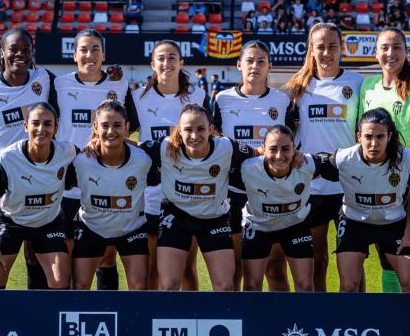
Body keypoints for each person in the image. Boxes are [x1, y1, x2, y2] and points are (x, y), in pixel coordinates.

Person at [124, 104, 268, 291]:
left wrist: (292, 154)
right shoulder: (165, 147)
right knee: (168, 285)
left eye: (200, 129)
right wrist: (97, 143)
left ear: (210, 129)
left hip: (214, 219)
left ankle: (219, 321)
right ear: (180, 131)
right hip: (176, 217)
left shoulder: (226, 147)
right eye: (188, 130)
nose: (194, 136)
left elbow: (258, 152)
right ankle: (171, 321)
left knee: (225, 286)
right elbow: (137, 145)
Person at [0, 28, 59, 291]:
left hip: (38, 179)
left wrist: (112, 76)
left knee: (35, 256)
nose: (20, 54)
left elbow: (80, 84)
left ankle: (35, 319)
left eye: (26, 49)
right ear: (2, 53)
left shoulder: (45, 79)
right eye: (13, 49)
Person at [358, 27, 410, 294]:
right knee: (386, 257)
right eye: (385, 47)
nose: (390, 53)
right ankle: (394, 322)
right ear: (376, 52)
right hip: (377, 186)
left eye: (397, 48)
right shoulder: (368, 86)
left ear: (407, 52)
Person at [285, 23, 366, 293]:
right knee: (317, 261)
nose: (327, 52)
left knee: (353, 265)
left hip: (349, 185)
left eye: (333, 46)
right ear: (312, 49)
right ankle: (321, 318)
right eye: (321, 46)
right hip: (313, 186)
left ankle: (355, 319)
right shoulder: (298, 88)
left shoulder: (357, 83)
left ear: (342, 48)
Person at [124, 40, 209, 291]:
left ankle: (188, 319)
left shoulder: (198, 96)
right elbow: (124, 133)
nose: (166, 63)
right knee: (152, 267)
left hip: (188, 188)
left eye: (172, 57)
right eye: (161, 58)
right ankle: (151, 321)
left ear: (181, 63)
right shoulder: (138, 97)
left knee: (187, 268)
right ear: (153, 64)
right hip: (152, 189)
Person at [312, 108, 410, 293]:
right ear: (358, 136)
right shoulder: (344, 159)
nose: (374, 143)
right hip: (354, 223)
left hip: (393, 224)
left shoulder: (407, 159)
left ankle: (408, 323)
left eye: (380, 136)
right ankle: (349, 323)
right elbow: (312, 169)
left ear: (389, 136)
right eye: (368, 136)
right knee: (349, 287)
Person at [213, 41, 294, 291]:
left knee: (276, 269)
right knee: (236, 267)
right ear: (239, 65)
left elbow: (290, 140)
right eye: (249, 61)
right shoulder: (222, 99)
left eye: (261, 61)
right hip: (234, 193)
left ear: (270, 66)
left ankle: (278, 326)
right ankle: (239, 324)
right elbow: (216, 140)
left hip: (274, 192)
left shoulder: (282, 101)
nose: (255, 66)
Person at [54, 29, 129, 289]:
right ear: (74, 54)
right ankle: (70, 310)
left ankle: (107, 312)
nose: (90, 54)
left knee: (106, 256)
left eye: (95, 49)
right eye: (84, 49)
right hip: (67, 180)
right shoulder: (59, 84)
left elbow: (128, 128)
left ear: (104, 55)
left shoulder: (119, 85)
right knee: (68, 250)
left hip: (107, 179)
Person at [0, 102, 77, 290]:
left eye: (48, 124)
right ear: (26, 127)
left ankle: (49, 319)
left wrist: (95, 143)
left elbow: (95, 158)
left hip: (48, 223)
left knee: (60, 281)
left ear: (55, 128)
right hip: (11, 222)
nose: (41, 129)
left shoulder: (68, 152)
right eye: (35, 123)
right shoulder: (7, 158)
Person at [67, 101, 155, 291]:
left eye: (117, 125)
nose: (110, 131)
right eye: (105, 125)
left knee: (140, 288)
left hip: (131, 230)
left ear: (127, 128)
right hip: (91, 229)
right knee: (79, 288)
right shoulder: (81, 160)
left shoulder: (143, 161)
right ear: (95, 127)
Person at [232, 126, 314, 292]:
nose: (279, 155)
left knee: (305, 286)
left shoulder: (307, 164)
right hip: (258, 226)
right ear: (263, 149)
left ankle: (300, 318)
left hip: (295, 225)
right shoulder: (247, 168)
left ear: (294, 149)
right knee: (251, 286)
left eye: (285, 149)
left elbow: (337, 163)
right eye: (272, 149)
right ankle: (254, 319)